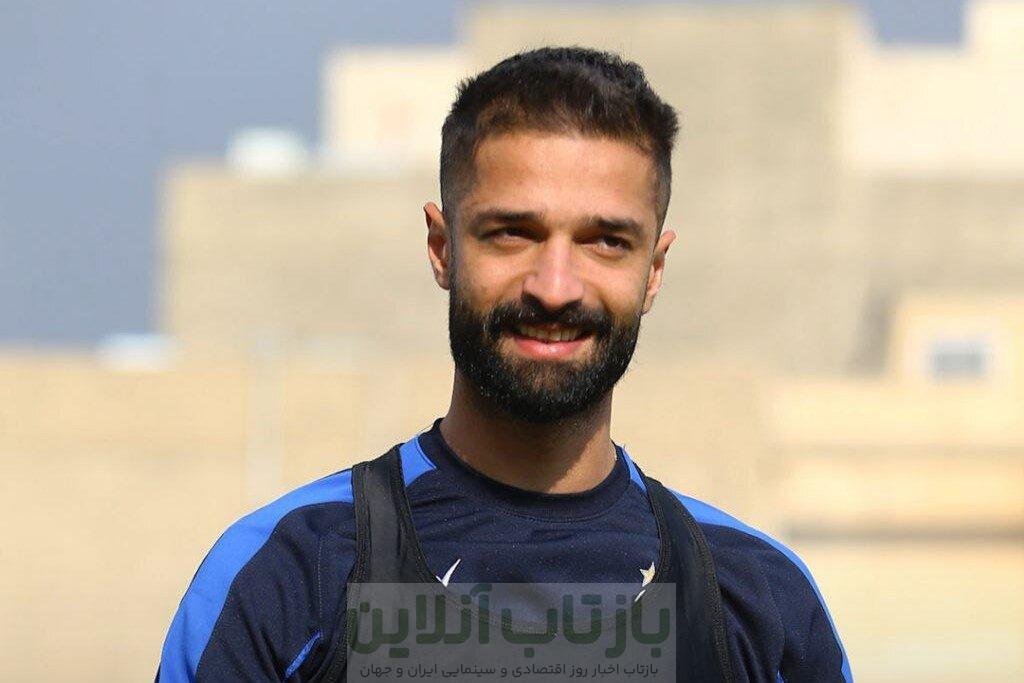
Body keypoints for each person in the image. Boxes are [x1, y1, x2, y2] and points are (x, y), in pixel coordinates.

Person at [156, 47, 851, 682]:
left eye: (606, 241)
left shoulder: (756, 596)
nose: (555, 286)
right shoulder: (291, 568)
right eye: (513, 233)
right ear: (442, 247)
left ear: (654, 270)